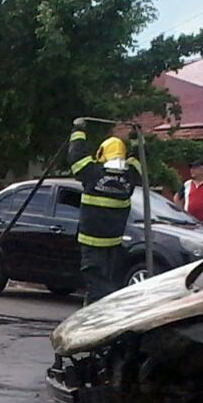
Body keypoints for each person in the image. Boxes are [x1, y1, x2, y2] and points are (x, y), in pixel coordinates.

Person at [71, 120, 142, 304]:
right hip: (114, 240)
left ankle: (102, 310)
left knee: (95, 279)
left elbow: (76, 157)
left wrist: (78, 130)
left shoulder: (93, 173)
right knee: (105, 277)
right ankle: (96, 307)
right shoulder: (130, 176)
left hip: (91, 238)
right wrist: (135, 138)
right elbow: (138, 158)